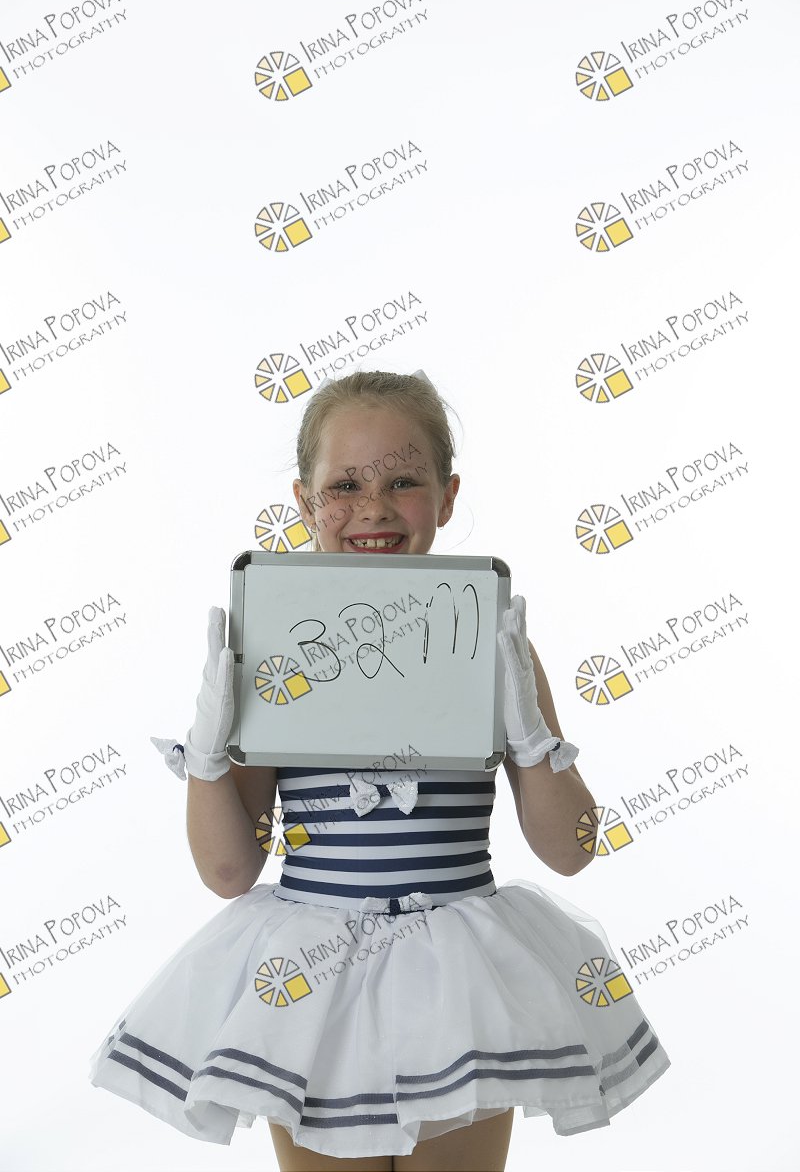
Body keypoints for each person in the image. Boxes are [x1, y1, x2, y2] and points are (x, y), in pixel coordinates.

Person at [88, 368, 670, 1171]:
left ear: (448, 495)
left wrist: (533, 740)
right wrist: (210, 758)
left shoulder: (493, 642)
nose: (373, 507)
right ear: (304, 501)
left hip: (459, 976)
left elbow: (570, 848)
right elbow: (228, 870)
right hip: (312, 974)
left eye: (403, 481)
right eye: (345, 485)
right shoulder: (275, 649)